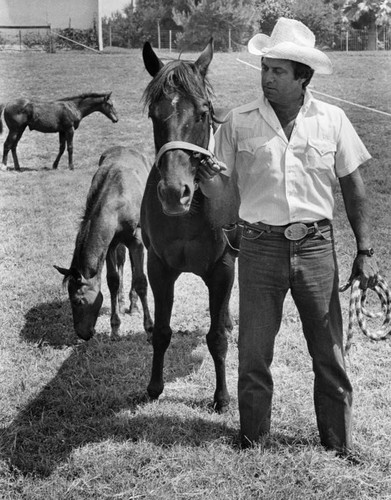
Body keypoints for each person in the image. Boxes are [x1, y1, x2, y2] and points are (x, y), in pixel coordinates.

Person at [198, 17, 378, 457]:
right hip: (259, 248)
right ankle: (253, 439)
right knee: (254, 352)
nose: (266, 78)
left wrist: (365, 251)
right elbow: (222, 210)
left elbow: (355, 189)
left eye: (278, 71)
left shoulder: (332, 120)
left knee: (329, 351)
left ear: (303, 77)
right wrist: (211, 188)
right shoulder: (237, 124)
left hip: (317, 248)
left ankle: (337, 443)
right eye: (265, 69)